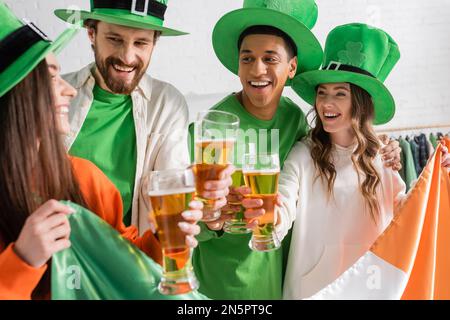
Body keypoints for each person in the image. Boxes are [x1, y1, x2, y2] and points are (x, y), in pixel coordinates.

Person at [190, 1, 402, 300]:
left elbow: (406, 207)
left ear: (291, 67)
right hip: (224, 286)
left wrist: (424, 168)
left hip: (292, 280)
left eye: (270, 58)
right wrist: (216, 220)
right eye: (247, 58)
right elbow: (184, 220)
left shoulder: (293, 119)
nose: (257, 69)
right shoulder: (210, 132)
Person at [0, 3, 201, 299]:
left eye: (141, 42)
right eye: (51, 77)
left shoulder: (84, 177)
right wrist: (22, 261)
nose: (67, 89)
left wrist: (164, 238)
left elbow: (124, 263)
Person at [241, 23, 450, 300]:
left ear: (360, 102)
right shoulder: (304, 154)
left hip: (369, 288)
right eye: (322, 92)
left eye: (340, 94)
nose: (326, 103)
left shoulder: (382, 156)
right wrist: (270, 217)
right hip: (313, 290)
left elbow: (407, 213)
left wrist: (439, 176)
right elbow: (284, 201)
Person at [54, 0, 232, 231]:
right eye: (114, 39)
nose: (127, 57)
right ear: (91, 32)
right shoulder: (52, 94)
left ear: (154, 42)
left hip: (130, 255)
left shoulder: (167, 104)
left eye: (141, 42)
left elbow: (172, 190)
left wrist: (201, 197)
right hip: (58, 251)